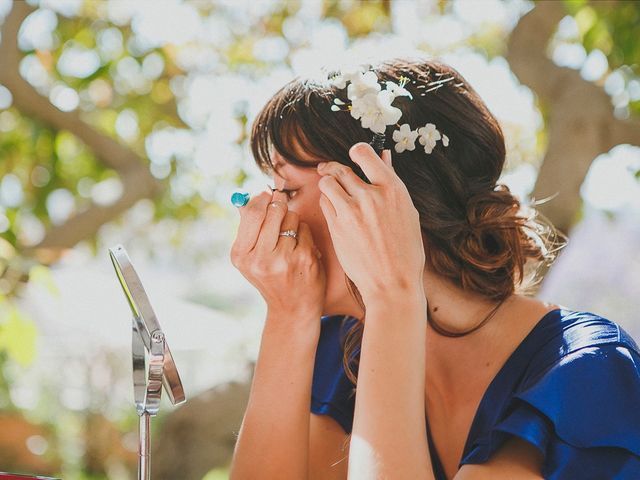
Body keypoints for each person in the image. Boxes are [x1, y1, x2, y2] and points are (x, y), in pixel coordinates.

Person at [227, 57, 640, 479]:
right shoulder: (342, 351)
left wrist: (393, 296)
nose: (269, 212)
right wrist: (288, 318)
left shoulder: (586, 372)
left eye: (286, 190)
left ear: (382, 197)